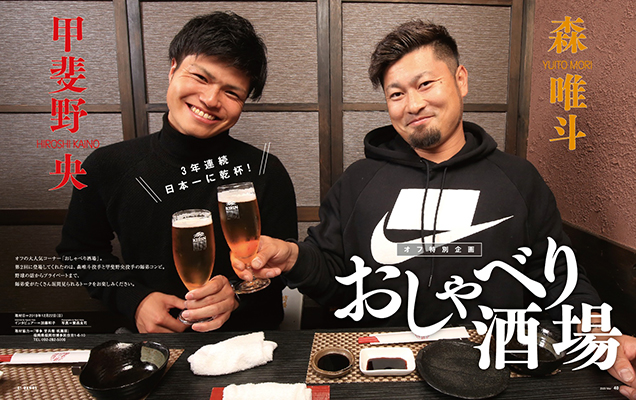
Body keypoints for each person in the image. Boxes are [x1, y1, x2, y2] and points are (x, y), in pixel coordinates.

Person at [231, 21, 636, 398]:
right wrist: (294, 257)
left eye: (426, 84)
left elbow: (561, 277)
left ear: (460, 80)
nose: (413, 104)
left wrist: (599, 333)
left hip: (493, 372)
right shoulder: (359, 181)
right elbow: (333, 278)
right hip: (381, 370)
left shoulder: (519, 179)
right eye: (396, 94)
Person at [57, 11, 298, 334]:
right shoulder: (107, 166)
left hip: (247, 340)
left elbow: (281, 269)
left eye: (232, 92)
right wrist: (135, 301)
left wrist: (236, 296)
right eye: (200, 77)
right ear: (173, 69)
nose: (210, 100)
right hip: (151, 342)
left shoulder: (265, 170)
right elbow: (79, 252)